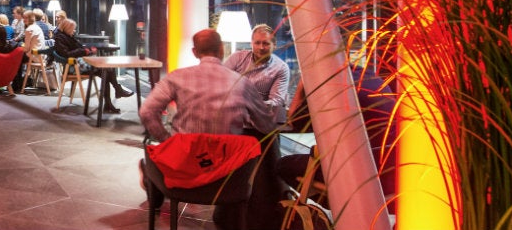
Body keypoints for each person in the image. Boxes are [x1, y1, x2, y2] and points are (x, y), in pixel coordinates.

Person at [138, 29, 267, 230]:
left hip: (183, 171)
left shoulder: (178, 77)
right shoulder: (242, 83)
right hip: (228, 179)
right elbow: (266, 124)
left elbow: (147, 112)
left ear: (194, 52)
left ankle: (153, 188)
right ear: (222, 49)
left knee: (152, 157)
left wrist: (168, 141)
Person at [278, 62, 398, 201]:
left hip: (361, 175)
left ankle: (345, 211)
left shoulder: (330, 84)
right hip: (395, 176)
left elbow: (295, 121)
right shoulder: (372, 78)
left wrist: (302, 83)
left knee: (284, 166)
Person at [223, 23, 290, 230]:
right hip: (236, 119)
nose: (261, 47)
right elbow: (222, 84)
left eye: (266, 43)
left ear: (274, 44)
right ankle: (228, 209)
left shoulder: (281, 68)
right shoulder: (237, 58)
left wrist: (244, 102)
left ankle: (267, 212)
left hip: (262, 123)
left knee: (268, 163)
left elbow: (275, 101)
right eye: (257, 43)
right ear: (251, 43)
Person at [53, 18, 132, 112]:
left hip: (79, 63)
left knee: (107, 70)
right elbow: (67, 54)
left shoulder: (67, 36)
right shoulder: (60, 39)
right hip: (73, 67)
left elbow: (77, 50)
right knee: (107, 70)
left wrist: (88, 51)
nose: (74, 31)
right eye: (72, 28)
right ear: (66, 28)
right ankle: (115, 94)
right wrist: (84, 51)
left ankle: (111, 100)